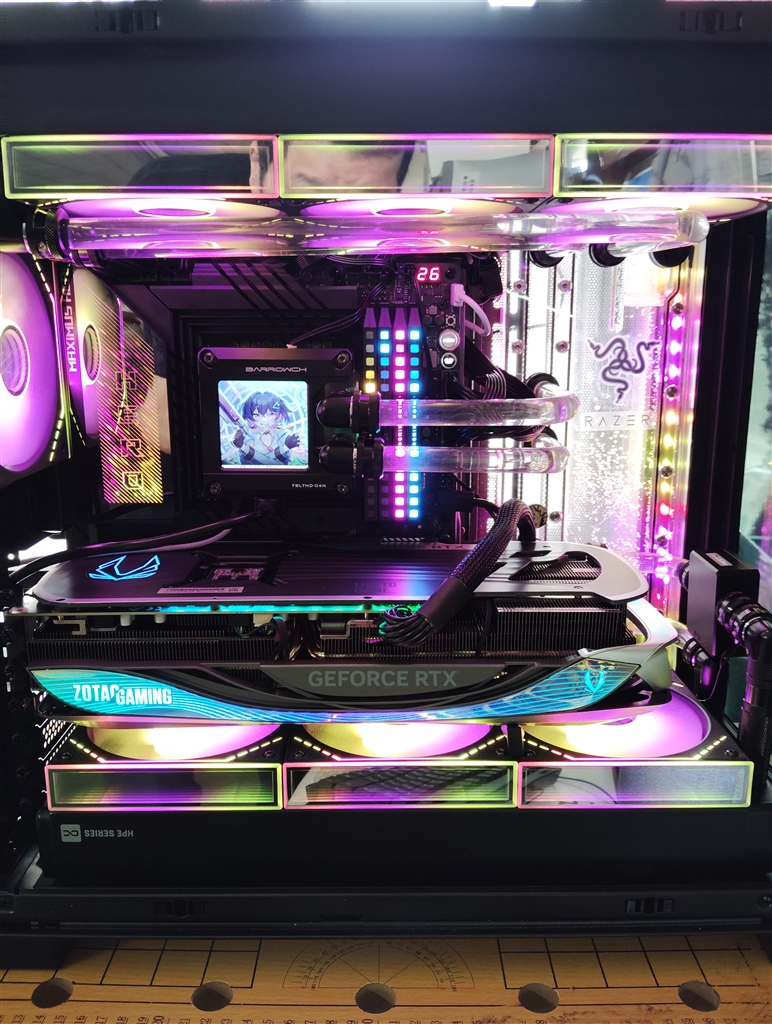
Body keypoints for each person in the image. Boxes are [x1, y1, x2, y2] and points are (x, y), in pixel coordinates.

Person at [226, 391, 305, 468]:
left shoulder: (283, 435)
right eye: (257, 415)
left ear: (279, 415)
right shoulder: (247, 435)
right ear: (249, 416)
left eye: (271, 414)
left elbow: (275, 465)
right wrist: (285, 448)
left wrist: (243, 447)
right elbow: (264, 463)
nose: (264, 420)